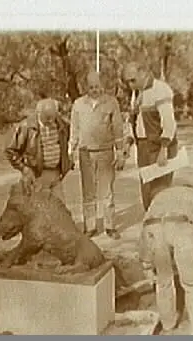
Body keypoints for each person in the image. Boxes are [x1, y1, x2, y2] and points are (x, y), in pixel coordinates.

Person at [138, 184, 193, 335]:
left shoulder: (158, 198)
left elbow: (144, 230)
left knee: (163, 281)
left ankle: (168, 324)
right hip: (181, 227)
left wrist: (146, 263)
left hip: (153, 228)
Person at [69, 71, 126, 239]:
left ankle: (110, 226)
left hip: (105, 152)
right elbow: (74, 129)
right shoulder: (78, 104)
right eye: (91, 86)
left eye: (97, 86)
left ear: (102, 86)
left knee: (107, 191)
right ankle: (90, 226)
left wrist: (120, 152)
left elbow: (118, 129)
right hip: (85, 153)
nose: (94, 90)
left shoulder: (111, 103)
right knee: (88, 192)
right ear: (86, 87)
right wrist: (71, 151)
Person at [120, 62, 179, 211]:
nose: (130, 84)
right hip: (143, 148)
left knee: (160, 190)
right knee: (146, 190)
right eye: (127, 81)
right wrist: (128, 142)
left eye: (132, 80)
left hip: (159, 147)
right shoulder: (137, 94)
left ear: (143, 72)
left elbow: (168, 122)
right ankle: (152, 227)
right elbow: (135, 122)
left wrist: (164, 149)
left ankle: (162, 227)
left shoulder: (160, 89)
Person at [5, 98, 73, 204]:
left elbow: (70, 143)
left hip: (56, 174)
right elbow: (10, 151)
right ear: (39, 113)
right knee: (40, 211)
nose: (50, 121)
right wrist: (24, 169)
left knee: (60, 210)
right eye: (47, 118)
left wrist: (68, 162)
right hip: (37, 176)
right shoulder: (26, 127)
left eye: (53, 117)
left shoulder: (62, 125)